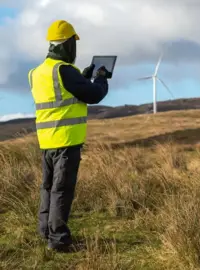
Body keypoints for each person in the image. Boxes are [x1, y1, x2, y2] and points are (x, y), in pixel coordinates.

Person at [28, 20, 109, 252]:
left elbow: (64, 94)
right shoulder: (64, 71)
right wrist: (101, 78)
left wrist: (82, 76)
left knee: (48, 188)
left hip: (47, 141)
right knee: (62, 190)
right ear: (67, 44)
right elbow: (92, 94)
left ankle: (46, 231)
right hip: (66, 141)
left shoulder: (37, 73)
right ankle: (59, 240)